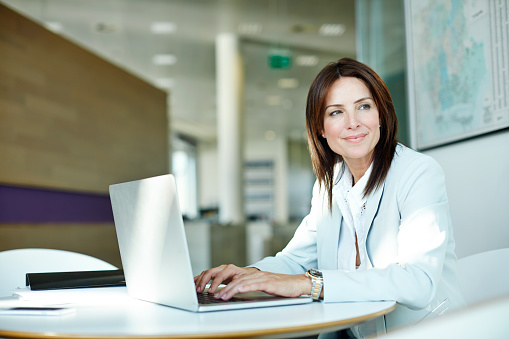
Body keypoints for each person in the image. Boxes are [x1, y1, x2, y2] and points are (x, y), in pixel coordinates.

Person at [194, 58, 464, 338]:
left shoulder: (418, 173)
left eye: (364, 106)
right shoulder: (329, 185)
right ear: (320, 128)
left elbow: (416, 282)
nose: (353, 123)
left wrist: (310, 284)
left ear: (381, 114)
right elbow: (296, 261)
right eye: (336, 112)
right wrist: (244, 275)